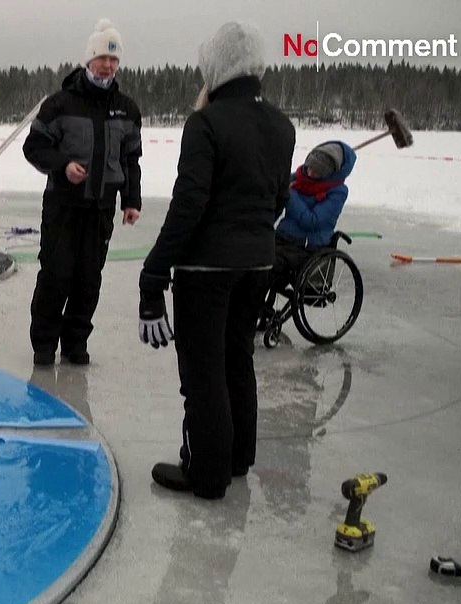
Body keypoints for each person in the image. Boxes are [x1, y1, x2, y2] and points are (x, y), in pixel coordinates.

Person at [138, 21, 296, 500]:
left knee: (204, 372)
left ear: (216, 68)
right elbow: (279, 201)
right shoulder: (280, 124)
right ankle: (236, 457)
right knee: (237, 359)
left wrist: (154, 272)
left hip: (207, 270)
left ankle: (207, 472)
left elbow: (190, 204)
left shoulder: (205, 123)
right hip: (257, 264)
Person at [23, 19, 143, 366]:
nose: (108, 65)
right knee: (56, 275)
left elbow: (131, 158)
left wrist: (131, 200)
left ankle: (75, 344)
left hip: (101, 208)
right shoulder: (60, 104)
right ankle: (44, 344)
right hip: (63, 206)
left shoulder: (127, 109)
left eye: (114, 60)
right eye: (103, 57)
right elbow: (34, 147)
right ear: (89, 59)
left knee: (88, 280)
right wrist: (62, 165)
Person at [266, 141, 356, 303]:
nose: (310, 172)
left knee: (266, 266)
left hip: (305, 247)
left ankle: (250, 314)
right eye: (309, 167)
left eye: (316, 171)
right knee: (250, 256)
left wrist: (290, 195)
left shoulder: (337, 192)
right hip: (283, 239)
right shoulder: (299, 178)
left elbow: (312, 221)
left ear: (328, 173)